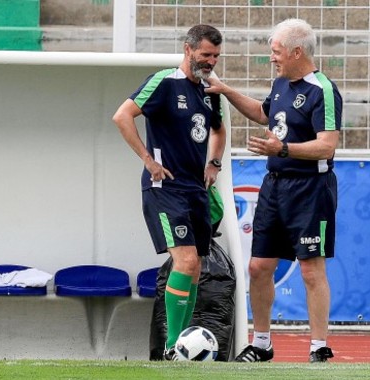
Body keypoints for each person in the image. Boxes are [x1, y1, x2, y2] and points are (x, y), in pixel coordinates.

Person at [205, 18, 342, 363]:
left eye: (276, 52)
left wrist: (282, 150)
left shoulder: (322, 90)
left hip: (310, 189)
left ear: (297, 52)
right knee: (258, 266)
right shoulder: (282, 83)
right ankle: (262, 343)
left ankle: (318, 347)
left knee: (312, 269)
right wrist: (226, 91)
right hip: (274, 187)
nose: (272, 58)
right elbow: (264, 114)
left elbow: (327, 146)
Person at [112, 24, 226, 361]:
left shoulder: (210, 90)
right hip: (165, 188)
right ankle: (174, 347)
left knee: (194, 267)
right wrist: (148, 161)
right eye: (206, 55)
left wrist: (214, 163)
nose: (211, 61)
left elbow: (218, 131)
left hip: (195, 189)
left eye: (216, 56)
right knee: (186, 260)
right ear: (188, 50)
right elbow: (122, 116)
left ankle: (180, 344)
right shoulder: (163, 81)